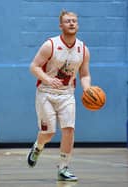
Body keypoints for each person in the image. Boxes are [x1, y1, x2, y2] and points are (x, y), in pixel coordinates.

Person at [27, 10, 92, 181]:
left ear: (77, 25)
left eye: (74, 21)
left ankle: (63, 168)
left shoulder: (83, 49)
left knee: (69, 130)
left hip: (67, 95)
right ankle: (38, 146)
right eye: (68, 21)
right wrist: (48, 79)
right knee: (48, 133)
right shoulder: (50, 45)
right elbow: (34, 67)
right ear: (61, 25)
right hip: (46, 93)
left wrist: (87, 89)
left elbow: (84, 74)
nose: (71, 23)